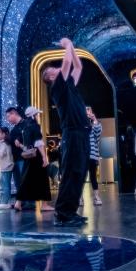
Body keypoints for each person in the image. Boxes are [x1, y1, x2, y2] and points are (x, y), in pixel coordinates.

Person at [42, 37, 90, 227]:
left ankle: (70, 212)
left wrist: (72, 47)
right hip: (72, 134)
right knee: (71, 173)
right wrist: (67, 44)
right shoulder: (57, 87)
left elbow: (78, 67)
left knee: (79, 173)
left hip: (82, 133)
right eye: (52, 70)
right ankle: (62, 214)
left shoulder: (68, 84)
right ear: (50, 77)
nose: (56, 68)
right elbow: (68, 63)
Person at [14, 106, 53, 212]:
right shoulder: (35, 126)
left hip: (28, 156)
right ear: (33, 115)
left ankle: (18, 202)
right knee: (43, 180)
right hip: (37, 156)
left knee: (26, 179)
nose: (38, 116)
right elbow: (38, 143)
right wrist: (44, 157)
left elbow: (27, 144)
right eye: (37, 114)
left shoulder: (25, 127)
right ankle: (44, 205)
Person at [80, 106, 103, 206]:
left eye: (89, 111)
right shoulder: (80, 125)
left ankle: (96, 197)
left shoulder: (94, 125)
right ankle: (80, 197)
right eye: (86, 112)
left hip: (92, 155)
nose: (88, 113)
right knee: (81, 177)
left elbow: (98, 133)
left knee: (93, 177)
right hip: (83, 155)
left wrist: (94, 119)